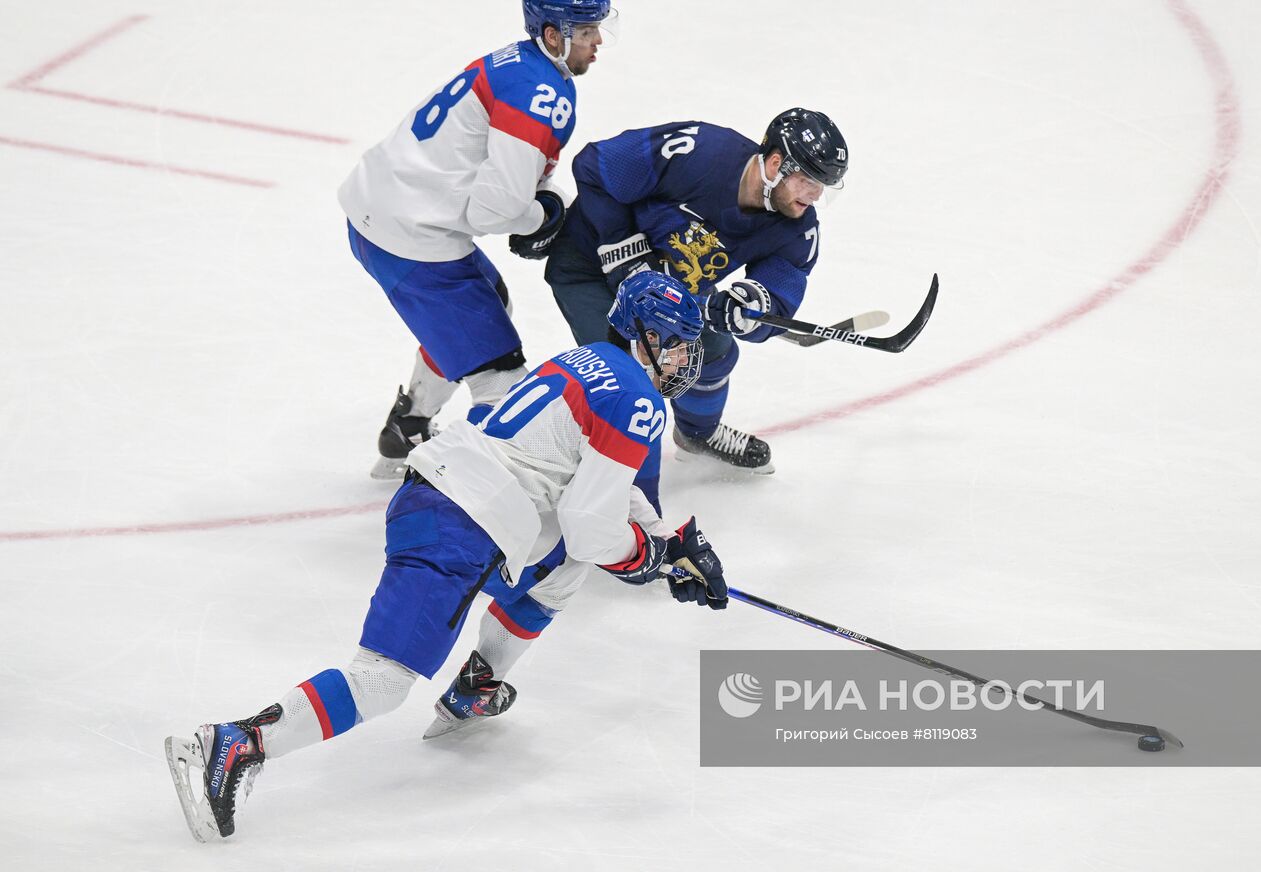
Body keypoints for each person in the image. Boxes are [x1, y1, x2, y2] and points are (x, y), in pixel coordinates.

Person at [164, 273, 730, 842]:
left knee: (561, 571)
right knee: (382, 683)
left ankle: (478, 685)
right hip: (460, 523)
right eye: (677, 343)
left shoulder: (590, 361)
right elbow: (592, 528)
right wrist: (647, 558)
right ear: (644, 335)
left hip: (449, 498)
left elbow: (599, 490)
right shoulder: (637, 399)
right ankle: (240, 743)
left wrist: (668, 539)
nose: (686, 358)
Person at [339, 0, 619, 480]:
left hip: (385, 206)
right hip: (410, 236)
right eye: (586, 30)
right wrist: (542, 216)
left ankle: (408, 426)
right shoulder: (540, 92)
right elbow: (494, 211)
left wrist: (542, 206)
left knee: (492, 301)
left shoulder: (517, 62)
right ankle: (447, 493)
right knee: (502, 382)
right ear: (553, 35)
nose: (597, 41)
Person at [546, 108, 850, 481]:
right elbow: (596, 165)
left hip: (672, 286)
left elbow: (779, 293)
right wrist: (622, 248)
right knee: (621, 377)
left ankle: (698, 435)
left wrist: (749, 305)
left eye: (823, 187)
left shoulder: (798, 229)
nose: (815, 196)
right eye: (808, 181)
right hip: (587, 267)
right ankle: (578, 471)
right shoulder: (700, 151)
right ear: (776, 164)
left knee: (714, 351)